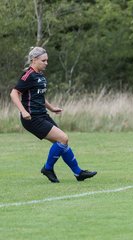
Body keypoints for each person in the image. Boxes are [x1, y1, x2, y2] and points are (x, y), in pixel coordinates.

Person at [10, 46, 97, 183]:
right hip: (32, 118)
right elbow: (14, 93)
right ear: (34, 60)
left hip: (43, 115)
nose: (46, 63)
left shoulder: (40, 76)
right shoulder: (28, 75)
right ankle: (48, 168)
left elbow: (39, 96)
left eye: (47, 60)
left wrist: (51, 108)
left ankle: (78, 173)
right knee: (63, 138)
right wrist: (23, 111)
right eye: (43, 60)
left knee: (62, 144)